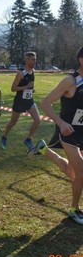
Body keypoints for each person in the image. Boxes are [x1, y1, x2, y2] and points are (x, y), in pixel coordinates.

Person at [28, 46, 83, 224]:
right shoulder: (70, 81)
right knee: (81, 172)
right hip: (68, 133)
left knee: (73, 173)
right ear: (81, 59)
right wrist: (60, 123)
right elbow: (45, 103)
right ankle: (74, 210)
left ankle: (45, 150)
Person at [0, 52, 41, 150]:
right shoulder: (20, 73)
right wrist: (26, 87)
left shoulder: (33, 72)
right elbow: (13, 88)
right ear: (26, 60)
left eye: (35, 59)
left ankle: (28, 139)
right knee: (13, 122)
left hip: (29, 100)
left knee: (37, 120)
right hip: (19, 101)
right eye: (32, 60)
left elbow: (31, 84)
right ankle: (4, 136)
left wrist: (31, 89)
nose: (34, 61)